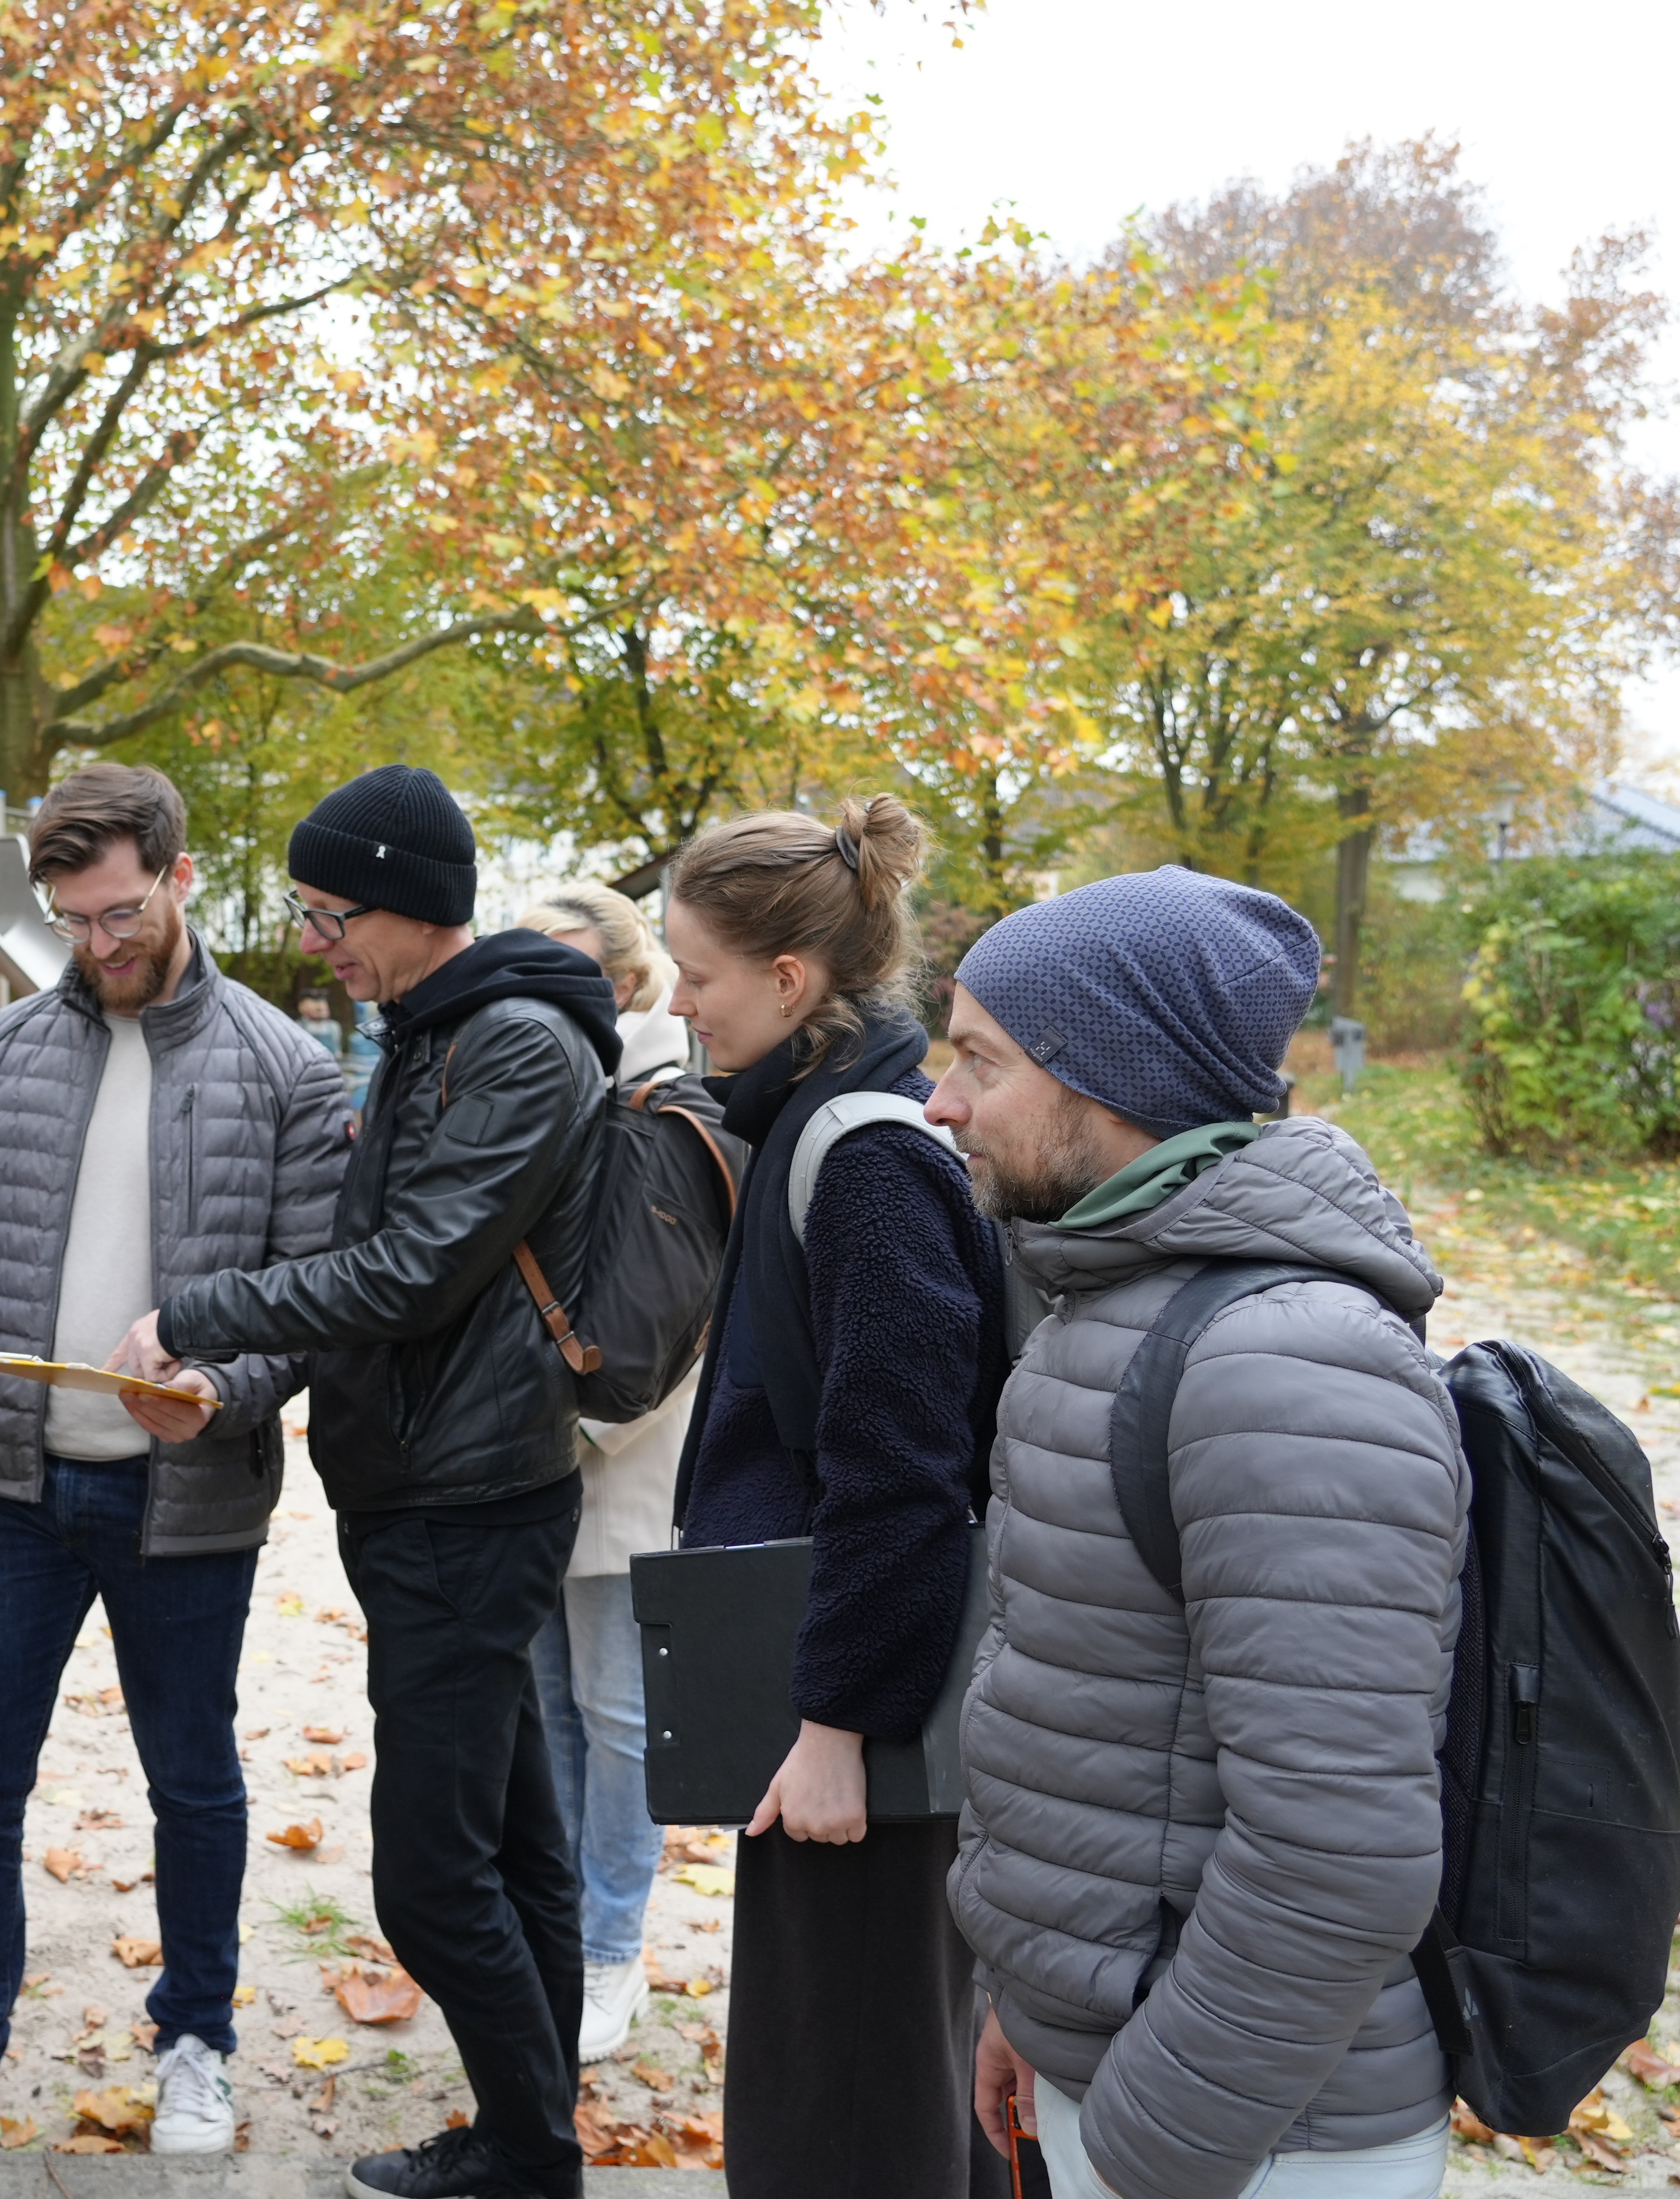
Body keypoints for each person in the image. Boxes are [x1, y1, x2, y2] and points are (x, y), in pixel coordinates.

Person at [0, 762, 350, 2159]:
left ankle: (198, 2043)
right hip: (10, 1485)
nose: (97, 947)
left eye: (119, 914)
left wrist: (222, 1390)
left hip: (190, 1495)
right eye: (71, 921)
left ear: (177, 876)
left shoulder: (287, 1066)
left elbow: (312, 1298)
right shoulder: (8, 1049)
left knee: (195, 1784)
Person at [118, 763, 616, 2199]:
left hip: (469, 1500)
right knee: (516, 1846)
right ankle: (532, 2139)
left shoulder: (511, 1042)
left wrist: (201, 1313)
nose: (320, 938)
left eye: (332, 913)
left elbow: (413, 1269)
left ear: (410, 901)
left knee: (431, 1880)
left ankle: (531, 2156)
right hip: (431, 1491)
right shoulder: (433, 1029)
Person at [934, 869, 1467, 2199]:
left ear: (1107, 1080)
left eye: (978, 1063)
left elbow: (1336, 1856)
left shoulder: (1282, 1364)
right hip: (1131, 2070)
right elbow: (1099, 1734)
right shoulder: (1116, 1297)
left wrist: (1143, 2151)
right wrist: (1032, 2011)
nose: (940, 1103)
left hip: (1255, 2135)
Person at [660, 798, 1008, 2199]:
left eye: (697, 974)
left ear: (790, 982)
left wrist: (835, 1726)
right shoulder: (815, 1128)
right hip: (835, 1697)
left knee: (855, 2103)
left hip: (863, 1723)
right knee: (876, 2078)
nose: (678, 1005)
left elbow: (903, 1473)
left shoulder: (862, 1160)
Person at [507, 883, 698, 2063]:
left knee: (620, 1714)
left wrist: (578, 1431)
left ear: (628, 980)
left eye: (568, 965)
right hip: (527, 1453)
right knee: (549, 1709)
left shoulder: (666, 1099)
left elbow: (672, 1307)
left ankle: (612, 1944)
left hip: (622, 1452)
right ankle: (564, 1927)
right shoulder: (545, 1079)